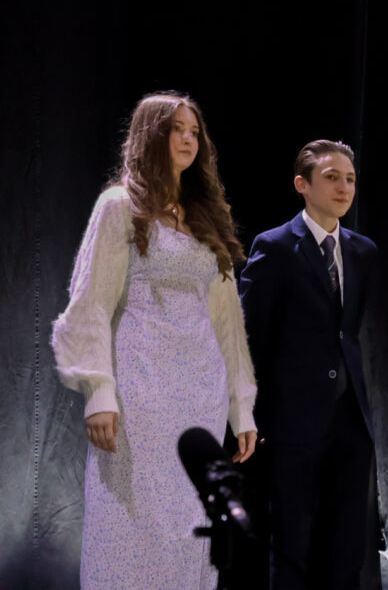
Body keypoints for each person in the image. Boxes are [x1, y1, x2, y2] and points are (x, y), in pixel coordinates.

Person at [51, 92, 258, 589]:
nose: (188, 139)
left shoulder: (205, 216)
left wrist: (242, 407)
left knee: (191, 521)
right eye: (176, 129)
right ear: (151, 136)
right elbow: (91, 302)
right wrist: (98, 392)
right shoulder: (120, 206)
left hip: (200, 394)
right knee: (133, 517)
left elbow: (228, 322)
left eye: (194, 131)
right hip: (140, 389)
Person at [239, 139, 377, 588]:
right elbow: (249, 336)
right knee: (291, 544)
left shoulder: (362, 251)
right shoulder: (275, 246)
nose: (344, 188)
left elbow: (346, 331)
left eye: (350, 179)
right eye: (332, 177)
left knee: (347, 547)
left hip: (349, 418)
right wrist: (253, 413)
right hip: (292, 419)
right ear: (302, 184)